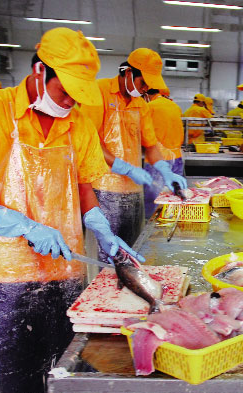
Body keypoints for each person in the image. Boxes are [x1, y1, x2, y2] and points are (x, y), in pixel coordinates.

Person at [0, 27, 144, 393]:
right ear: (38, 71)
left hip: (68, 268)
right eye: (65, 91)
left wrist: (100, 226)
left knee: (63, 380)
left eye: (77, 95)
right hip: (11, 276)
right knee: (20, 390)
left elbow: (84, 186)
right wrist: (15, 222)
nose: (70, 102)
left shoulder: (77, 122)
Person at [80, 48, 186, 262]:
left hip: (133, 191)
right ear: (128, 72)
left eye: (149, 85)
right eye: (143, 82)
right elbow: (88, 142)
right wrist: (124, 167)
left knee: (133, 251)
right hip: (103, 190)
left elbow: (151, 144)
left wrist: (164, 170)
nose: (145, 88)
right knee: (108, 256)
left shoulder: (140, 104)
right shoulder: (99, 92)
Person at [143, 87, 185, 218]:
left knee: (154, 198)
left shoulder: (149, 106)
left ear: (146, 94)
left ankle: (152, 227)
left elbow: (143, 133)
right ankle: (172, 222)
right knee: (174, 195)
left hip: (157, 158)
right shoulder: (174, 106)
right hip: (177, 157)